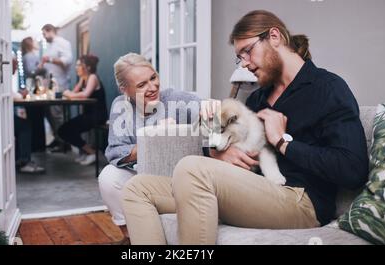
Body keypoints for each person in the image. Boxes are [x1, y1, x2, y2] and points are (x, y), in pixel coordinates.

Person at [121, 10, 369, 245]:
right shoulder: (258, 98)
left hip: (301, 201)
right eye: (239, 57)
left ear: (274, 37)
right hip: (250, 188)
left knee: (191, 168)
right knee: (137, 188)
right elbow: (227, 143)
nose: (244, 64)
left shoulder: (327, 88)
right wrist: (220, 154)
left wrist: (283, 142)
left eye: (247, 51)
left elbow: (352, 170)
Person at [99, 53, 201, 226]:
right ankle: (129, 235)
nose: (153, 87)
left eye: (153, 77)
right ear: (125, 90)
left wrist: (214, 146)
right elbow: (115, 151)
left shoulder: (175, 98)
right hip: (142, 173)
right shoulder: (120, 105)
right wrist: (155, 139)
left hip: (175, 177)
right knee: (108, 177)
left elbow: (215, 111)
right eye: (141, 85)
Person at [58, 54, 108, 166]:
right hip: (89, 115)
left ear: (88, 67)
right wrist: (71, 91)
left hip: (97, 115)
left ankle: (92, 152)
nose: (76, 67)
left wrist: (68, 93)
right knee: (64, 130)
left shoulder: (93, 77)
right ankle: (88, 151)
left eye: (79, 65)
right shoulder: (84, 78)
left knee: (65, 130)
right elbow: (74, 93)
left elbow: (85, 94)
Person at [39, 24, 73, 152]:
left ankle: (65, 142)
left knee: (57, 114)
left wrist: (50, 59)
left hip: (60, 85)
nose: (44, 36)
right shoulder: (49, 46)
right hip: (49, 84)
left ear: (50, 31)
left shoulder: (63, 43)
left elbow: (67, 61)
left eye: (44, 34)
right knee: (49, 113)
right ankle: (58, 139)